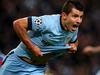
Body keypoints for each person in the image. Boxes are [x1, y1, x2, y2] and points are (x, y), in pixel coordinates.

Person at [0, 0, 84, 75]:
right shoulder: (47, 22)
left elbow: (74, 41)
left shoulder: (73, 28)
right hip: (16, 63)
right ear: (64, 15)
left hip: (37, 69)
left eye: (81, 17)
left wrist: (74, 46)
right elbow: (18, 24)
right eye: (75, 16)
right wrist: (32, 47)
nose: (79, 21)